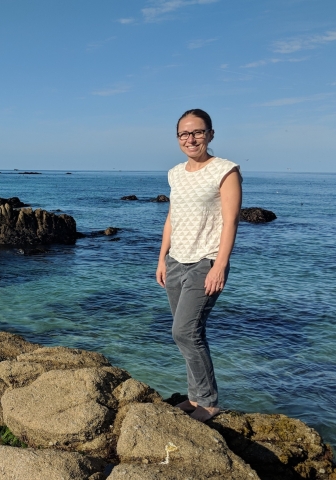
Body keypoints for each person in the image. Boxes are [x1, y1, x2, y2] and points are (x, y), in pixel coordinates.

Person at [155, 108, 242, 422]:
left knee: (185, 331)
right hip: (176, 262)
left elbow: (231, 221)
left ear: (210, 134)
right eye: (184, 134)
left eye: (197, 132)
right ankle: (195, 397)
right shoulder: (175, 173)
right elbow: (172, 218)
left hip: (206, 262)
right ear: (178, 138)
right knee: (190, 333)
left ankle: (208, 402)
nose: (191, 139)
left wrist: (220, 265)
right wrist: (162, 258)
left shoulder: (225, 170)